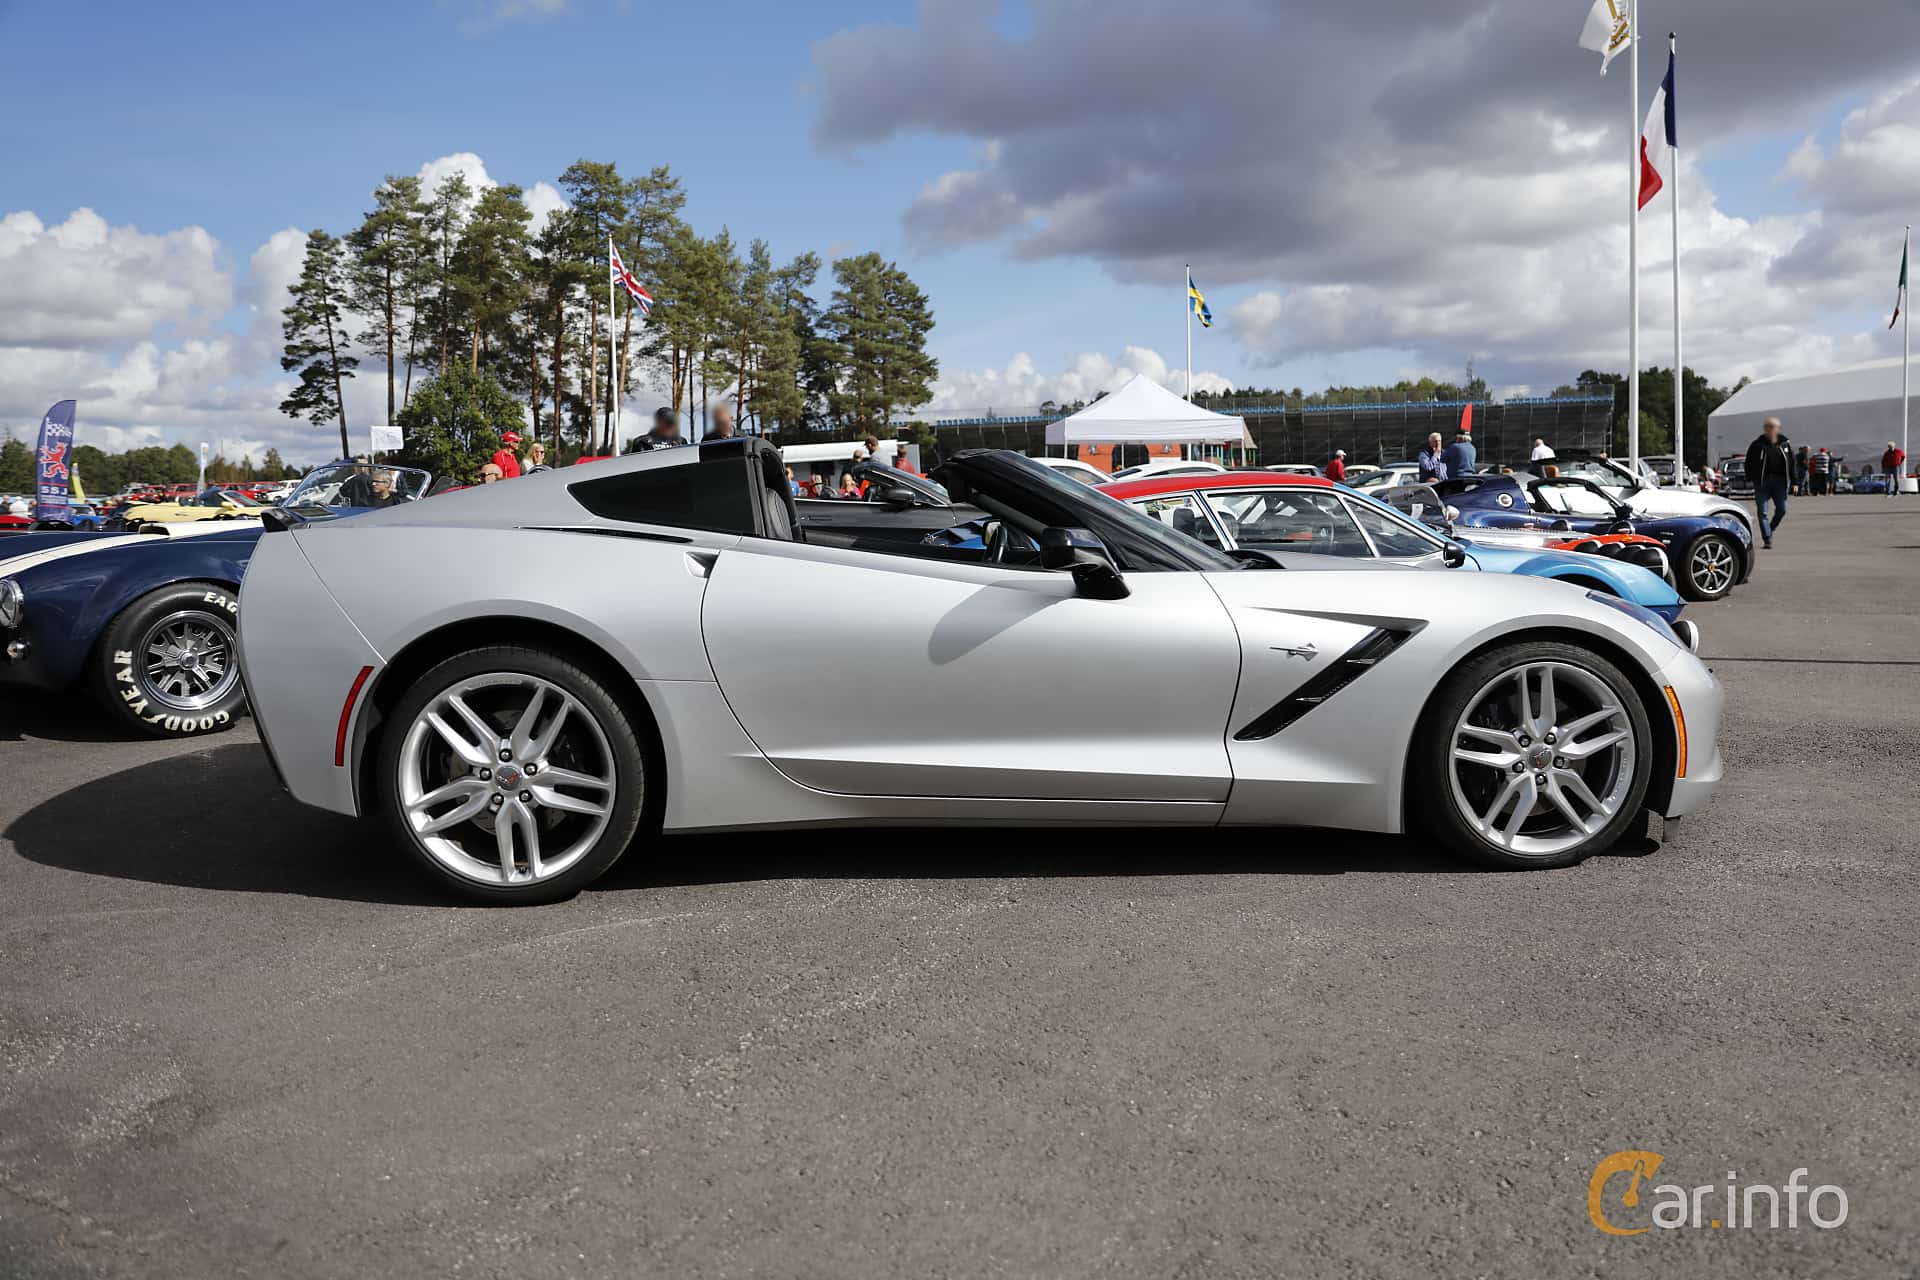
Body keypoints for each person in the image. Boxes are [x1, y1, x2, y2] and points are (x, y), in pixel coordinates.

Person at [1743, 417, 1793, 549]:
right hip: (1762, 482)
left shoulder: (1785, 444)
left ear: (1777, 429)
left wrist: (1795, 481)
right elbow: (1748, 462)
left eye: (1772, 427)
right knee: (1762, 512)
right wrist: (1750, 477)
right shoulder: (1757, 445)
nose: (1769, 429)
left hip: (1780, 482)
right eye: (1767, 427)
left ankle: (1770, 529)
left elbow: (1792, 463)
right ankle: (1767, 539)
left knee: (1782, 509)